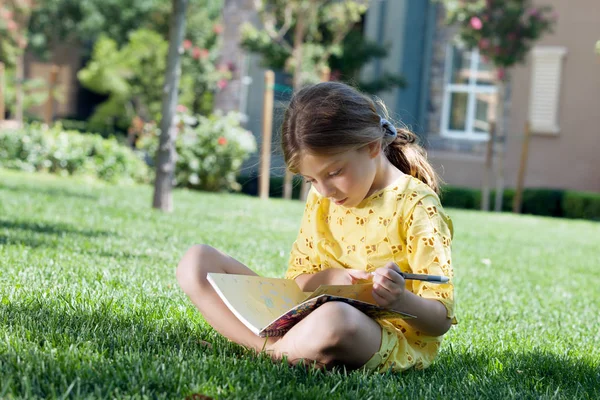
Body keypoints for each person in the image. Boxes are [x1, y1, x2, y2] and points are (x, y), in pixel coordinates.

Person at [176, 82, 456, 372]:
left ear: (372, 146)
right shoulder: (323, 196)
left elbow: (440, 320)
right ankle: (276, 350)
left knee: (337, 319)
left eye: (334, 173)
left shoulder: (417, 206)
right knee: (196, 261)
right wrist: (334, 276)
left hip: (376, 336)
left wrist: (400, 298)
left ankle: (270, 352)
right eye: (312, 180)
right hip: (307, 321)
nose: (325, 191)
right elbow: (296, 285)